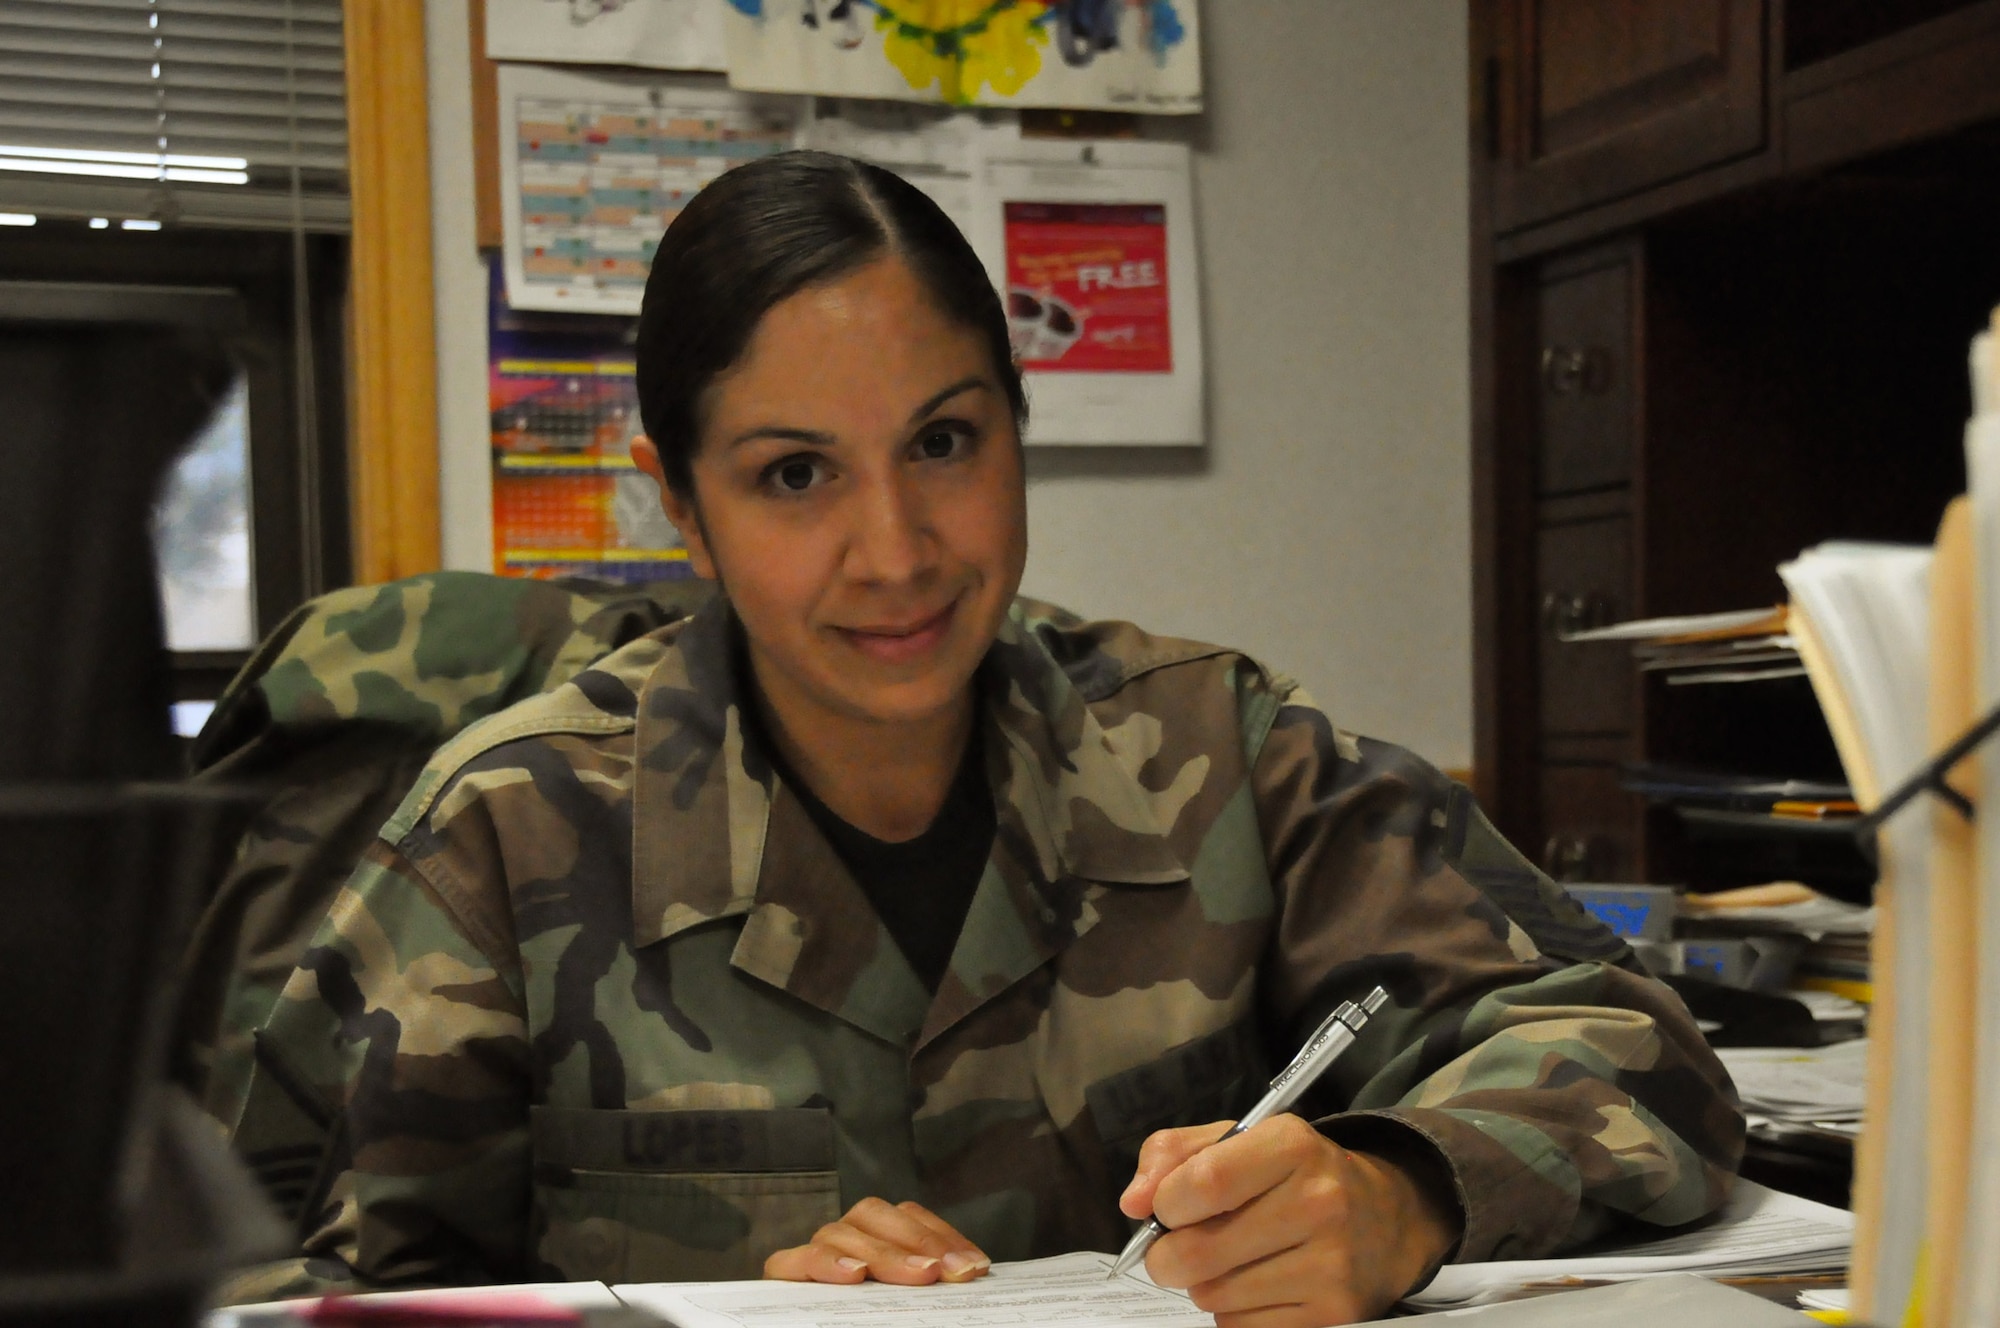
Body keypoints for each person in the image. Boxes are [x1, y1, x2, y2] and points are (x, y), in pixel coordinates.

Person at [224, 150, 1742, 1325]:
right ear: (680, 503)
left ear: (1018, 427)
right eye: (794, 474)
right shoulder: (511, 833)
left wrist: (1406, 1191)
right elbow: (295, 1285)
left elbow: (1643, 1049)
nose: (897, 553)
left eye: (945, 444)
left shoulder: (1219, 753)